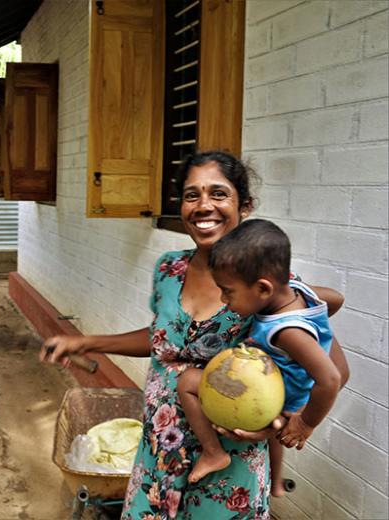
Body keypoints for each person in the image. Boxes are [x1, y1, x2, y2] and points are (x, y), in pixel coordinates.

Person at [40, 151, 350, 518]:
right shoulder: (169, 269)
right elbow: (164, 341)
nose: (204, 206)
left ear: (244, 205)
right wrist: (88, 342)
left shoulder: (262, 287)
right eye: (192, 195)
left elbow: (329, 364)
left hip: (230, 460)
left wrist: (284, 418)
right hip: (159, 447)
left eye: (219, 194)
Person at [178, 219, 342, 498]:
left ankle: (213, 452)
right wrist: (318, 331)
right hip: (289, 390)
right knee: (276, 443)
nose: (224, 299)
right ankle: (276, 483)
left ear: (264, 289)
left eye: (228, 291)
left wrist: (305, 422)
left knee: (186, 382)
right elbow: (336, 299)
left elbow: (330, 379)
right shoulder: (299, 291)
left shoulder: (286, 331)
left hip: (283, 399)